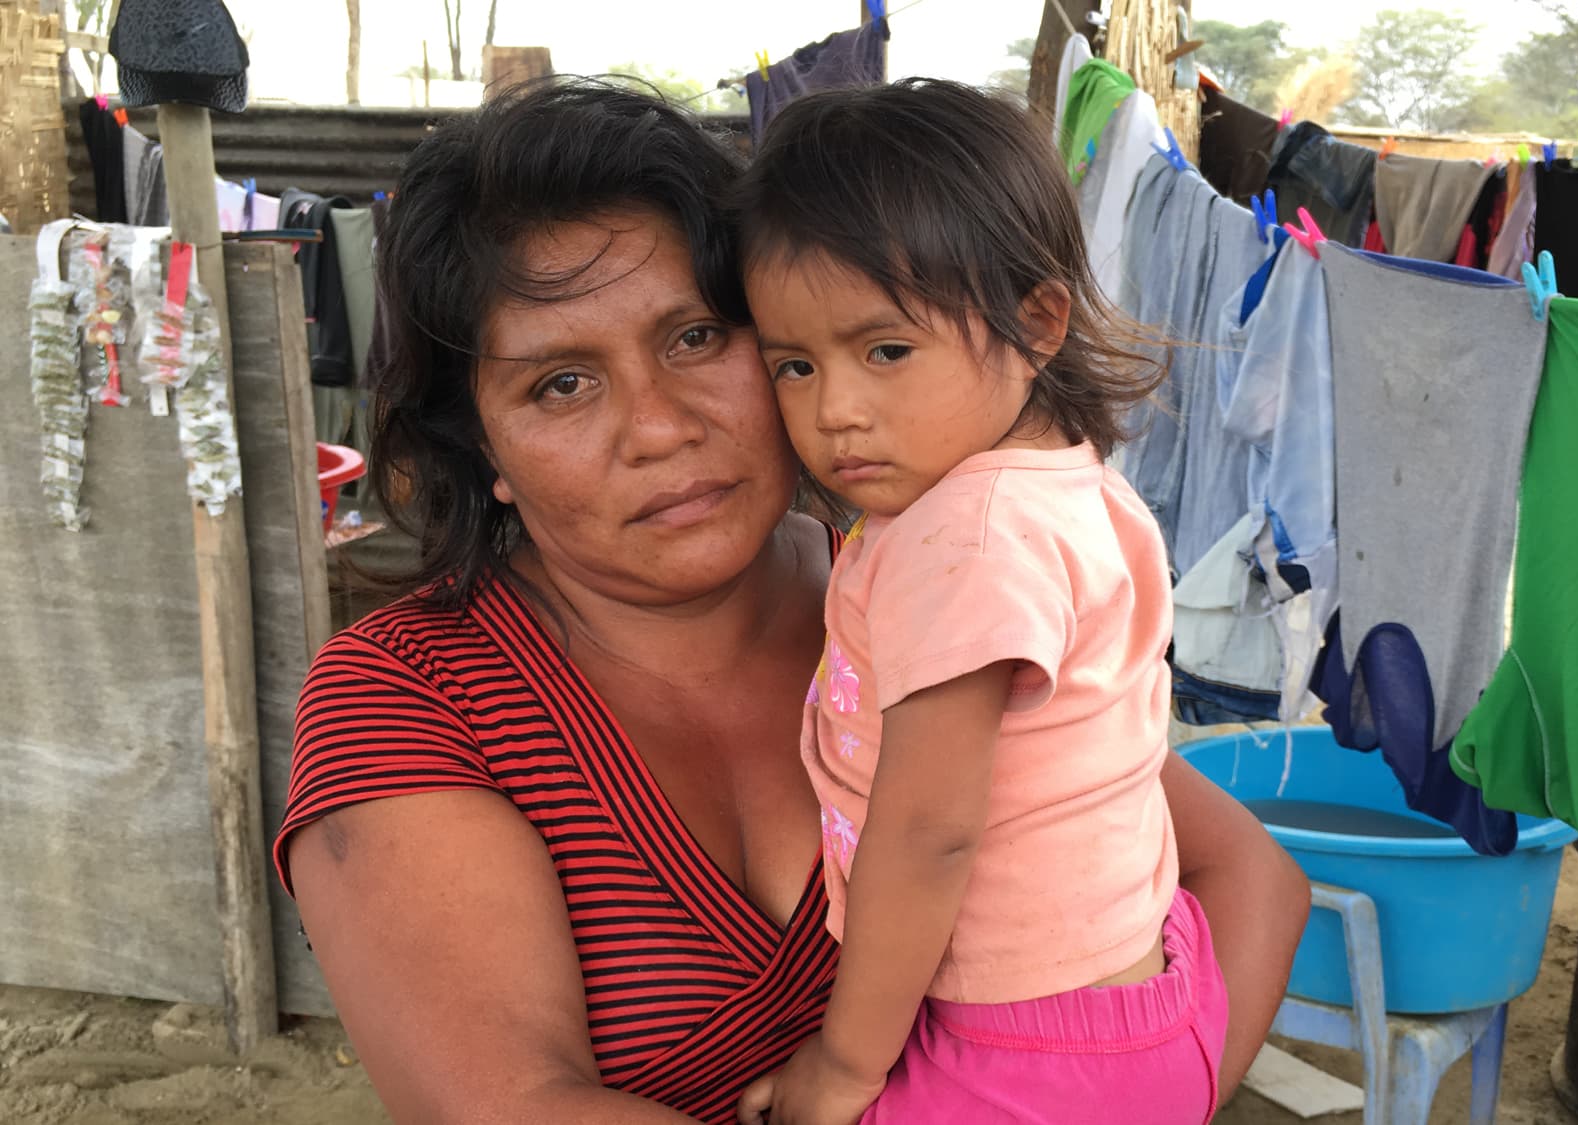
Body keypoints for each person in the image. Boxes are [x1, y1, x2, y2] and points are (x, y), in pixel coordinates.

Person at [273, 78, 1309, 1125]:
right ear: (484, 448)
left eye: (696, 339)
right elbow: (505, 1106)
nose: (660, 426)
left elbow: (1249, 881)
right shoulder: (412, 697)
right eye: (561, 385)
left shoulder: (920, 591)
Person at [732, 80, 1223, 1125]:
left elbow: (928, 832)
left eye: (886, 351)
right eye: (792, 365)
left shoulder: (967, 536)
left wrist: (848, 1066)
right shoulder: (1061, 482)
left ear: (1037, 320)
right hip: (1142, 988)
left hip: (1028, 1049)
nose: (835, 411)